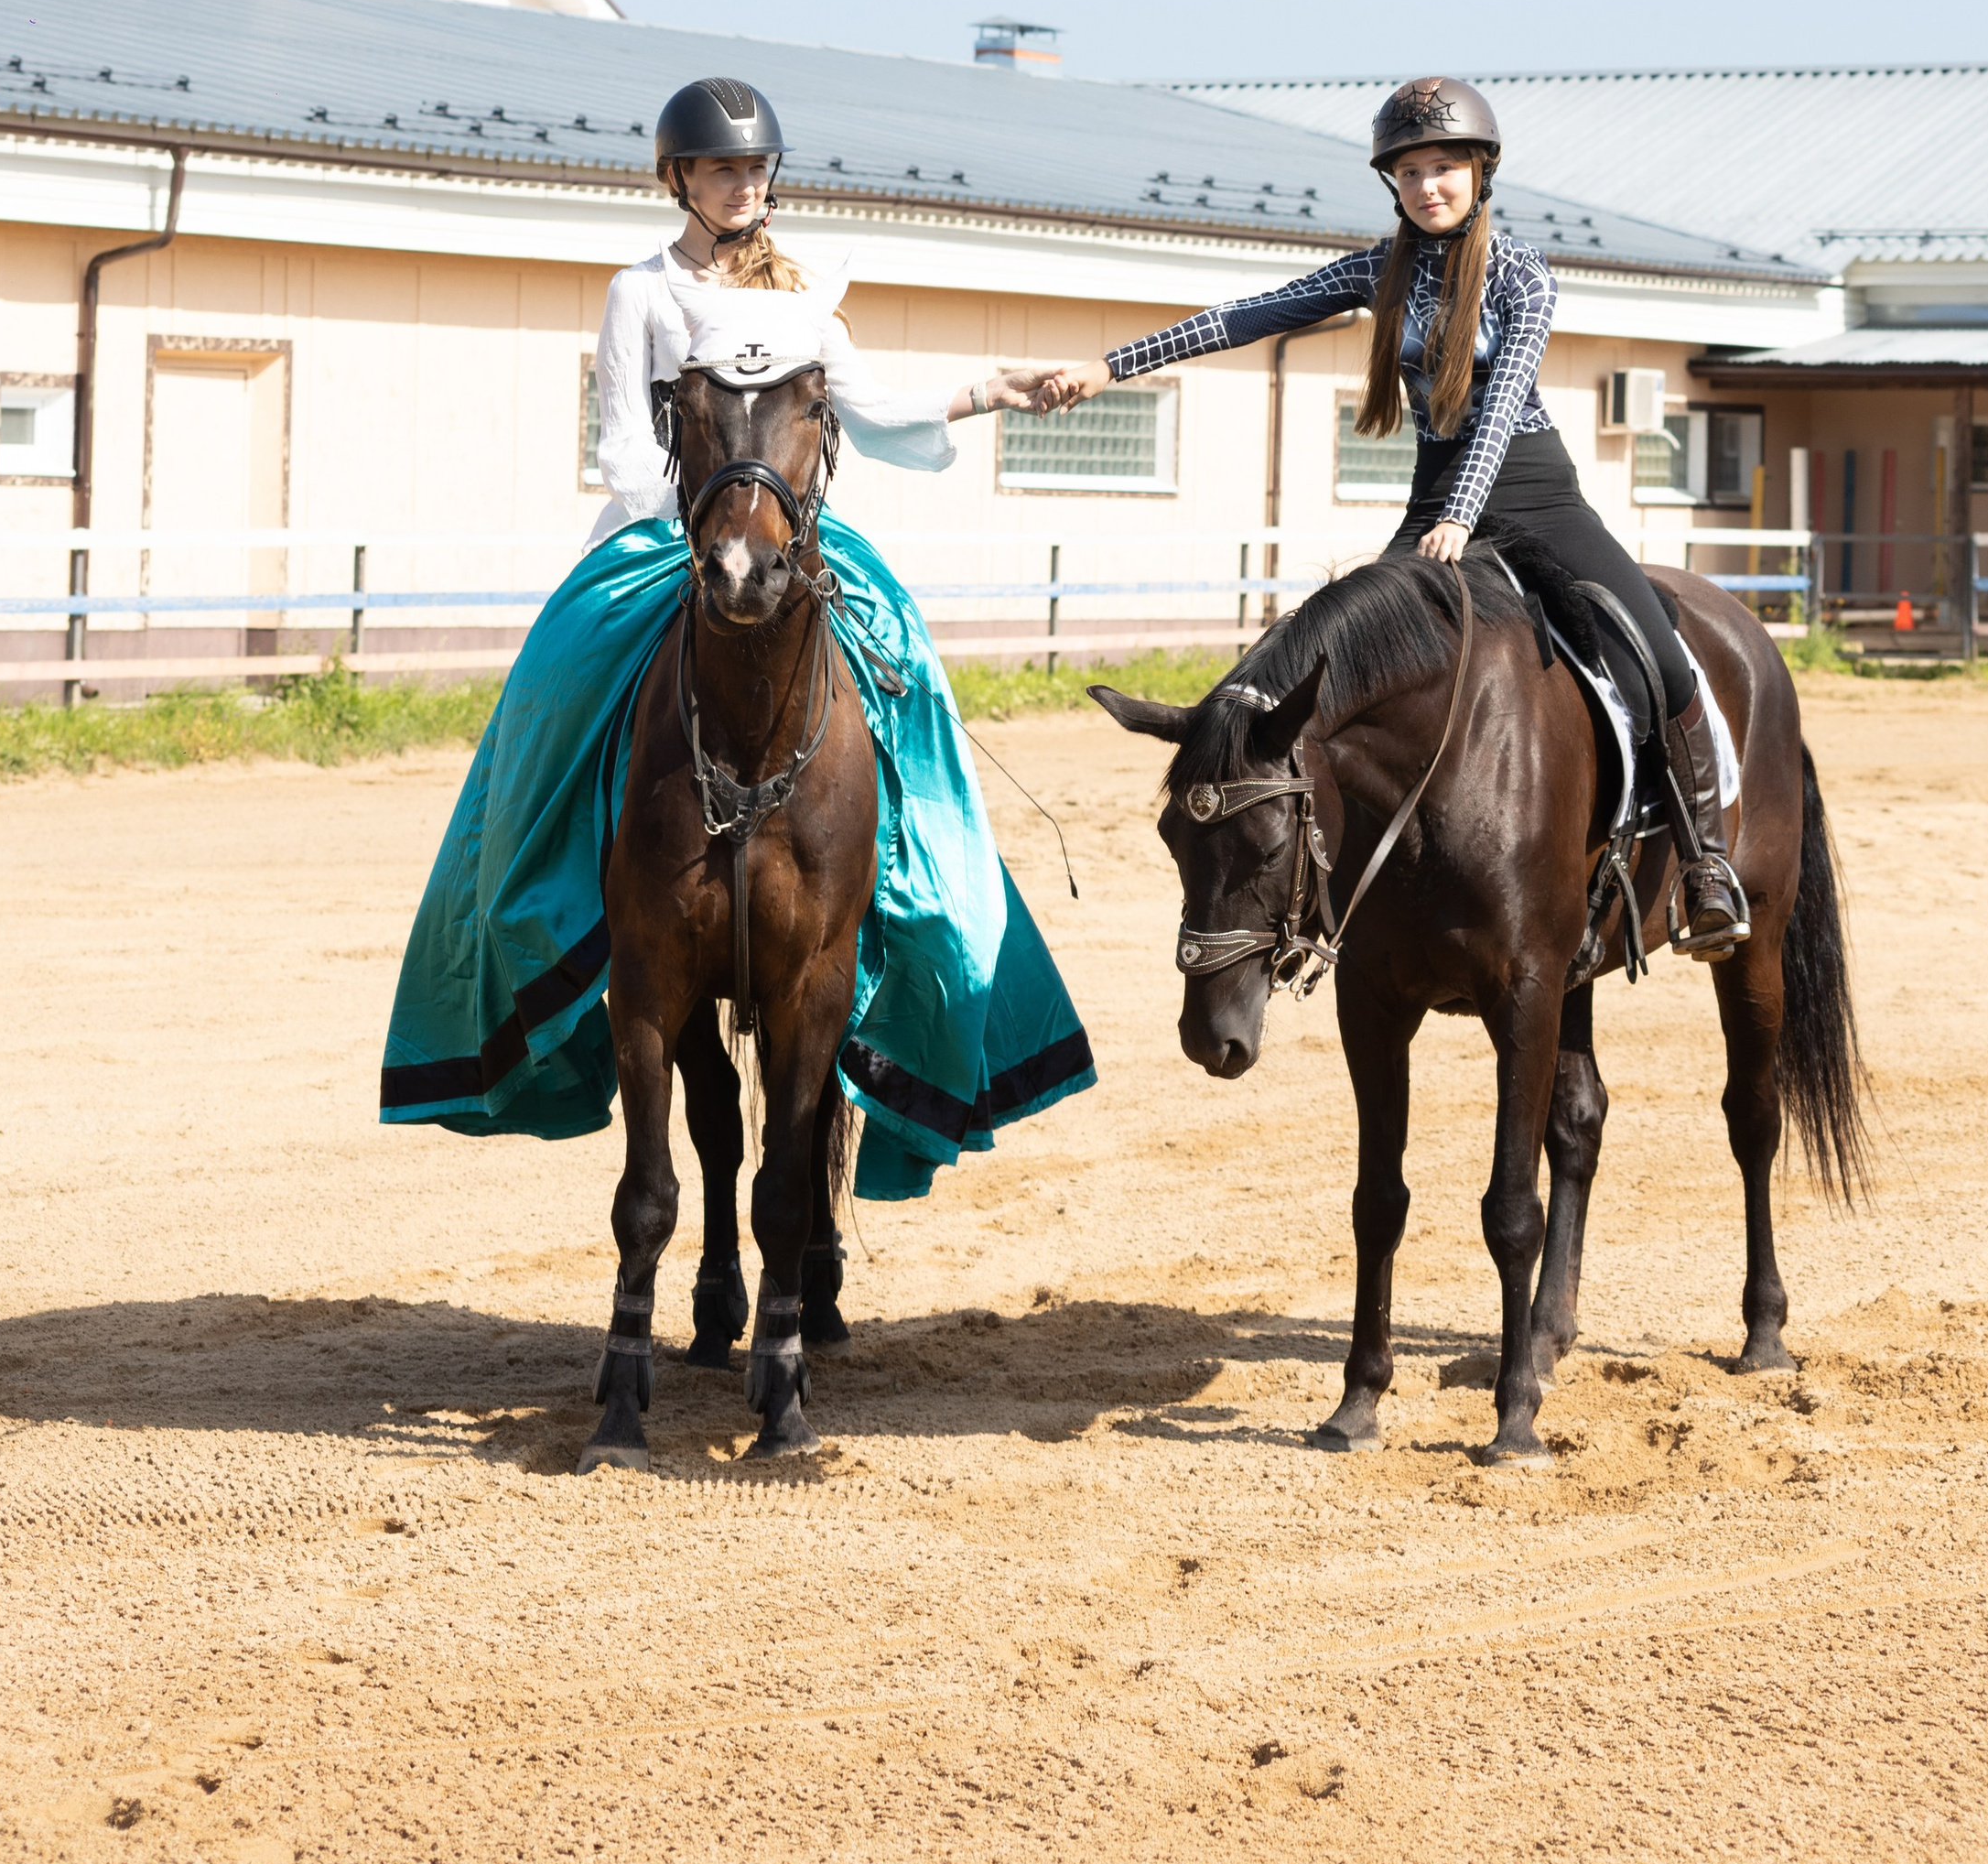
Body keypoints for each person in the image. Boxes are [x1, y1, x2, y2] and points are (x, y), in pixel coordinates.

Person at [381, 74, 1097, 1193]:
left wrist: (992, 388)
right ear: (679, 179)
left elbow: (866, 411)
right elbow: (623, 444)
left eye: (755, 168)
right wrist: (693, 536)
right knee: (553, 688)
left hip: (792, 532)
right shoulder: (642, 291)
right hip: (666, 531)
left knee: (904, 675)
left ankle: (932, 904)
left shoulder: (808, 292)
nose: (742, 183)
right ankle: (523, 903)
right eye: (721, 168)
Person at [1033, 75, 1749, 954]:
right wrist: (1110, 367)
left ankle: (1708, 864)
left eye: (1443, 167)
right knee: (1339, 669)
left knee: (1660, 653)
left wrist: (1462, 515)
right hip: (1435, 494)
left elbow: (1500, 407)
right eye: (1408, 172)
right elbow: (1244, 317)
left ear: (1480, 173)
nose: (1426, 187)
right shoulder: (1380, 269)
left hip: (1531, 489)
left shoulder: (1525, 274)